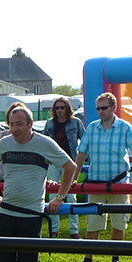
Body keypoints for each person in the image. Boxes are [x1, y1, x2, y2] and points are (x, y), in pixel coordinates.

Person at [0, 104, 76, 262]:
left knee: (29, 260)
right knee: (4, 261)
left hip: (32, 214)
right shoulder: (5, 143)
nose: (14, 128)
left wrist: (60, 197)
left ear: (30, 125)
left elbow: (70, 167)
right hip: (7, 212)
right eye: (11, 124)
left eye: (19, 124)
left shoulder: (44, 143)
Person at [69, 93, 132, 262]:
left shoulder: (125, 127)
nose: (100, 112)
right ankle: (88, 261)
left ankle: (115, 260)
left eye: (104, 108)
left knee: (118, 223)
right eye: (98, 108)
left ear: (114, 107)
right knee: (92, 225)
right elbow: (81, 154)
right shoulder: (92, 127)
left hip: (119, 183)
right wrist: (74, 177)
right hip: (96, 183)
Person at [42, 97, 85, 238]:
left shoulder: (75, 122)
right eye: (57, 108)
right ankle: (54, 229)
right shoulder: (49, 124)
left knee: (71, 197)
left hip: (71, 163)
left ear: (67, 108)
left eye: (62, 107)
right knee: (53, 195)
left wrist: (83, 161)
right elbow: (43, 143)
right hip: (54, 163)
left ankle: (74, 230)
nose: (59, 110)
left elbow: (84, 142)